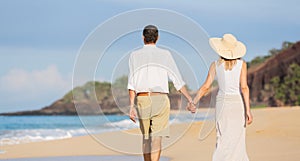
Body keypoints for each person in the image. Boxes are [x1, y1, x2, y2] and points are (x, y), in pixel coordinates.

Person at [128, 25, 195, 161]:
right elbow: (177, 80)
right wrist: (189, 98)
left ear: (143, 38)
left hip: (142, 99)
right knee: (157, 138)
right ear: (157, 38)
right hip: (160, 99)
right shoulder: (165, 54)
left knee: (146, 138)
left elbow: (132, 83)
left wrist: (131, 106)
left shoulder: (134, 56)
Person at [191, 33, 253, 161]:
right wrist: (248, 110)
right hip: (237, 104)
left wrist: (194, 101)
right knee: (238, 139)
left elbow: (206, 87)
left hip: (222, 104)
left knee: (222, 137)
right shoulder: (242, 65)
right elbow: (244, 88)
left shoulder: (215, 65)